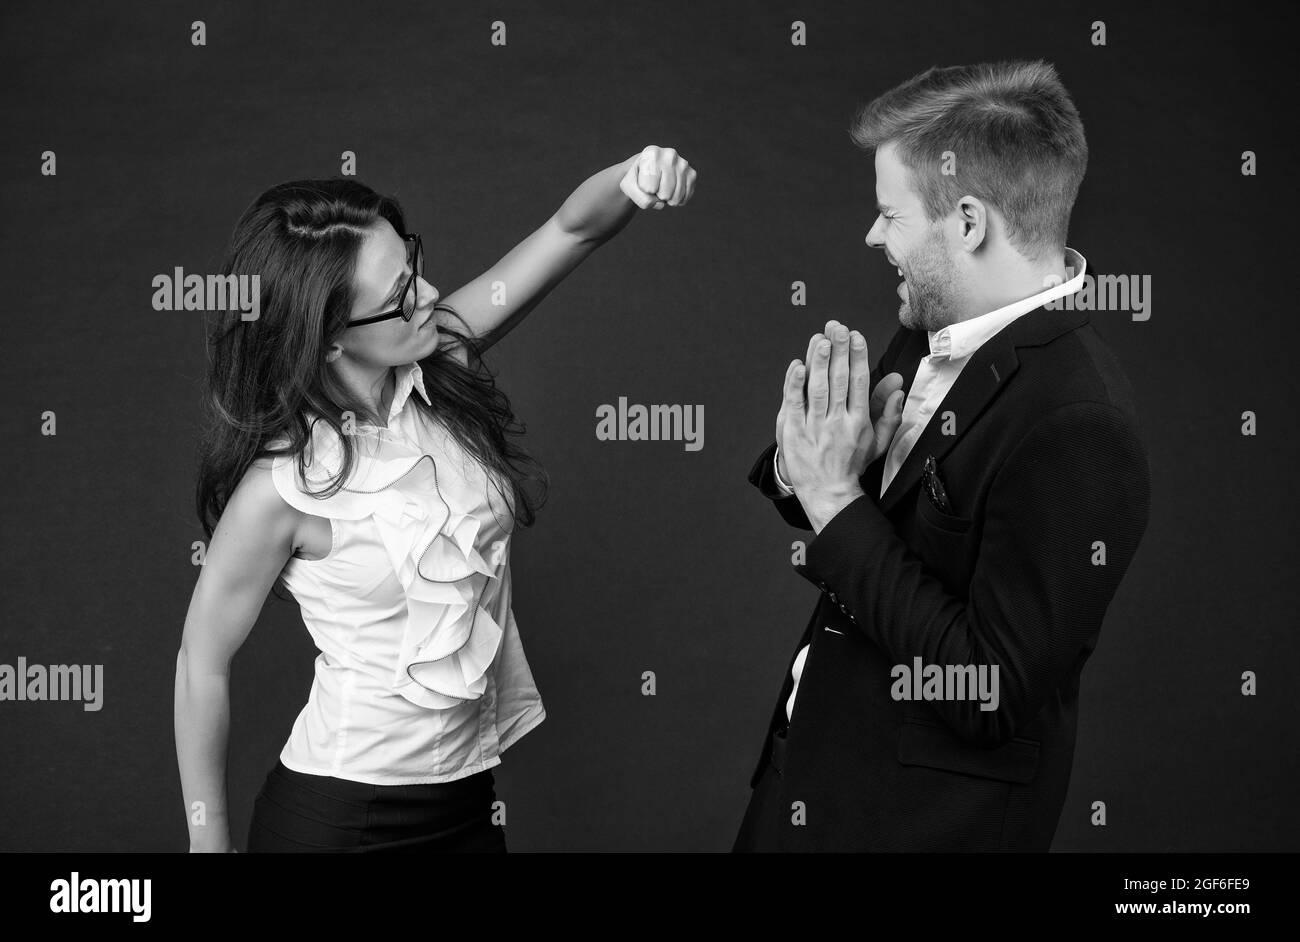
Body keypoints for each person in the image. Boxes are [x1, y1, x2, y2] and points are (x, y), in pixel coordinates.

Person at [175, 147, 697, 853]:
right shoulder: (280, 489)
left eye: (412, 265)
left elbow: (571, 231)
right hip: (337, 822)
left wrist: (637, 175)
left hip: (468, 804)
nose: (429, 295)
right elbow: (200, 662)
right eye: (398, 296)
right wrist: (209, 848)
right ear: (327, 341)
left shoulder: (440, 357)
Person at [733, 61, 1150, 851]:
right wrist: (809, 465)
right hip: (800, 784)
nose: (872, 235)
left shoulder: (1081, 423)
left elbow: (988, 690)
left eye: (889, 214)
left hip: (904, 828)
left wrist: (832, 500)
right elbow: (863, 510)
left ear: (966, 222)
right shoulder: (935, 323)